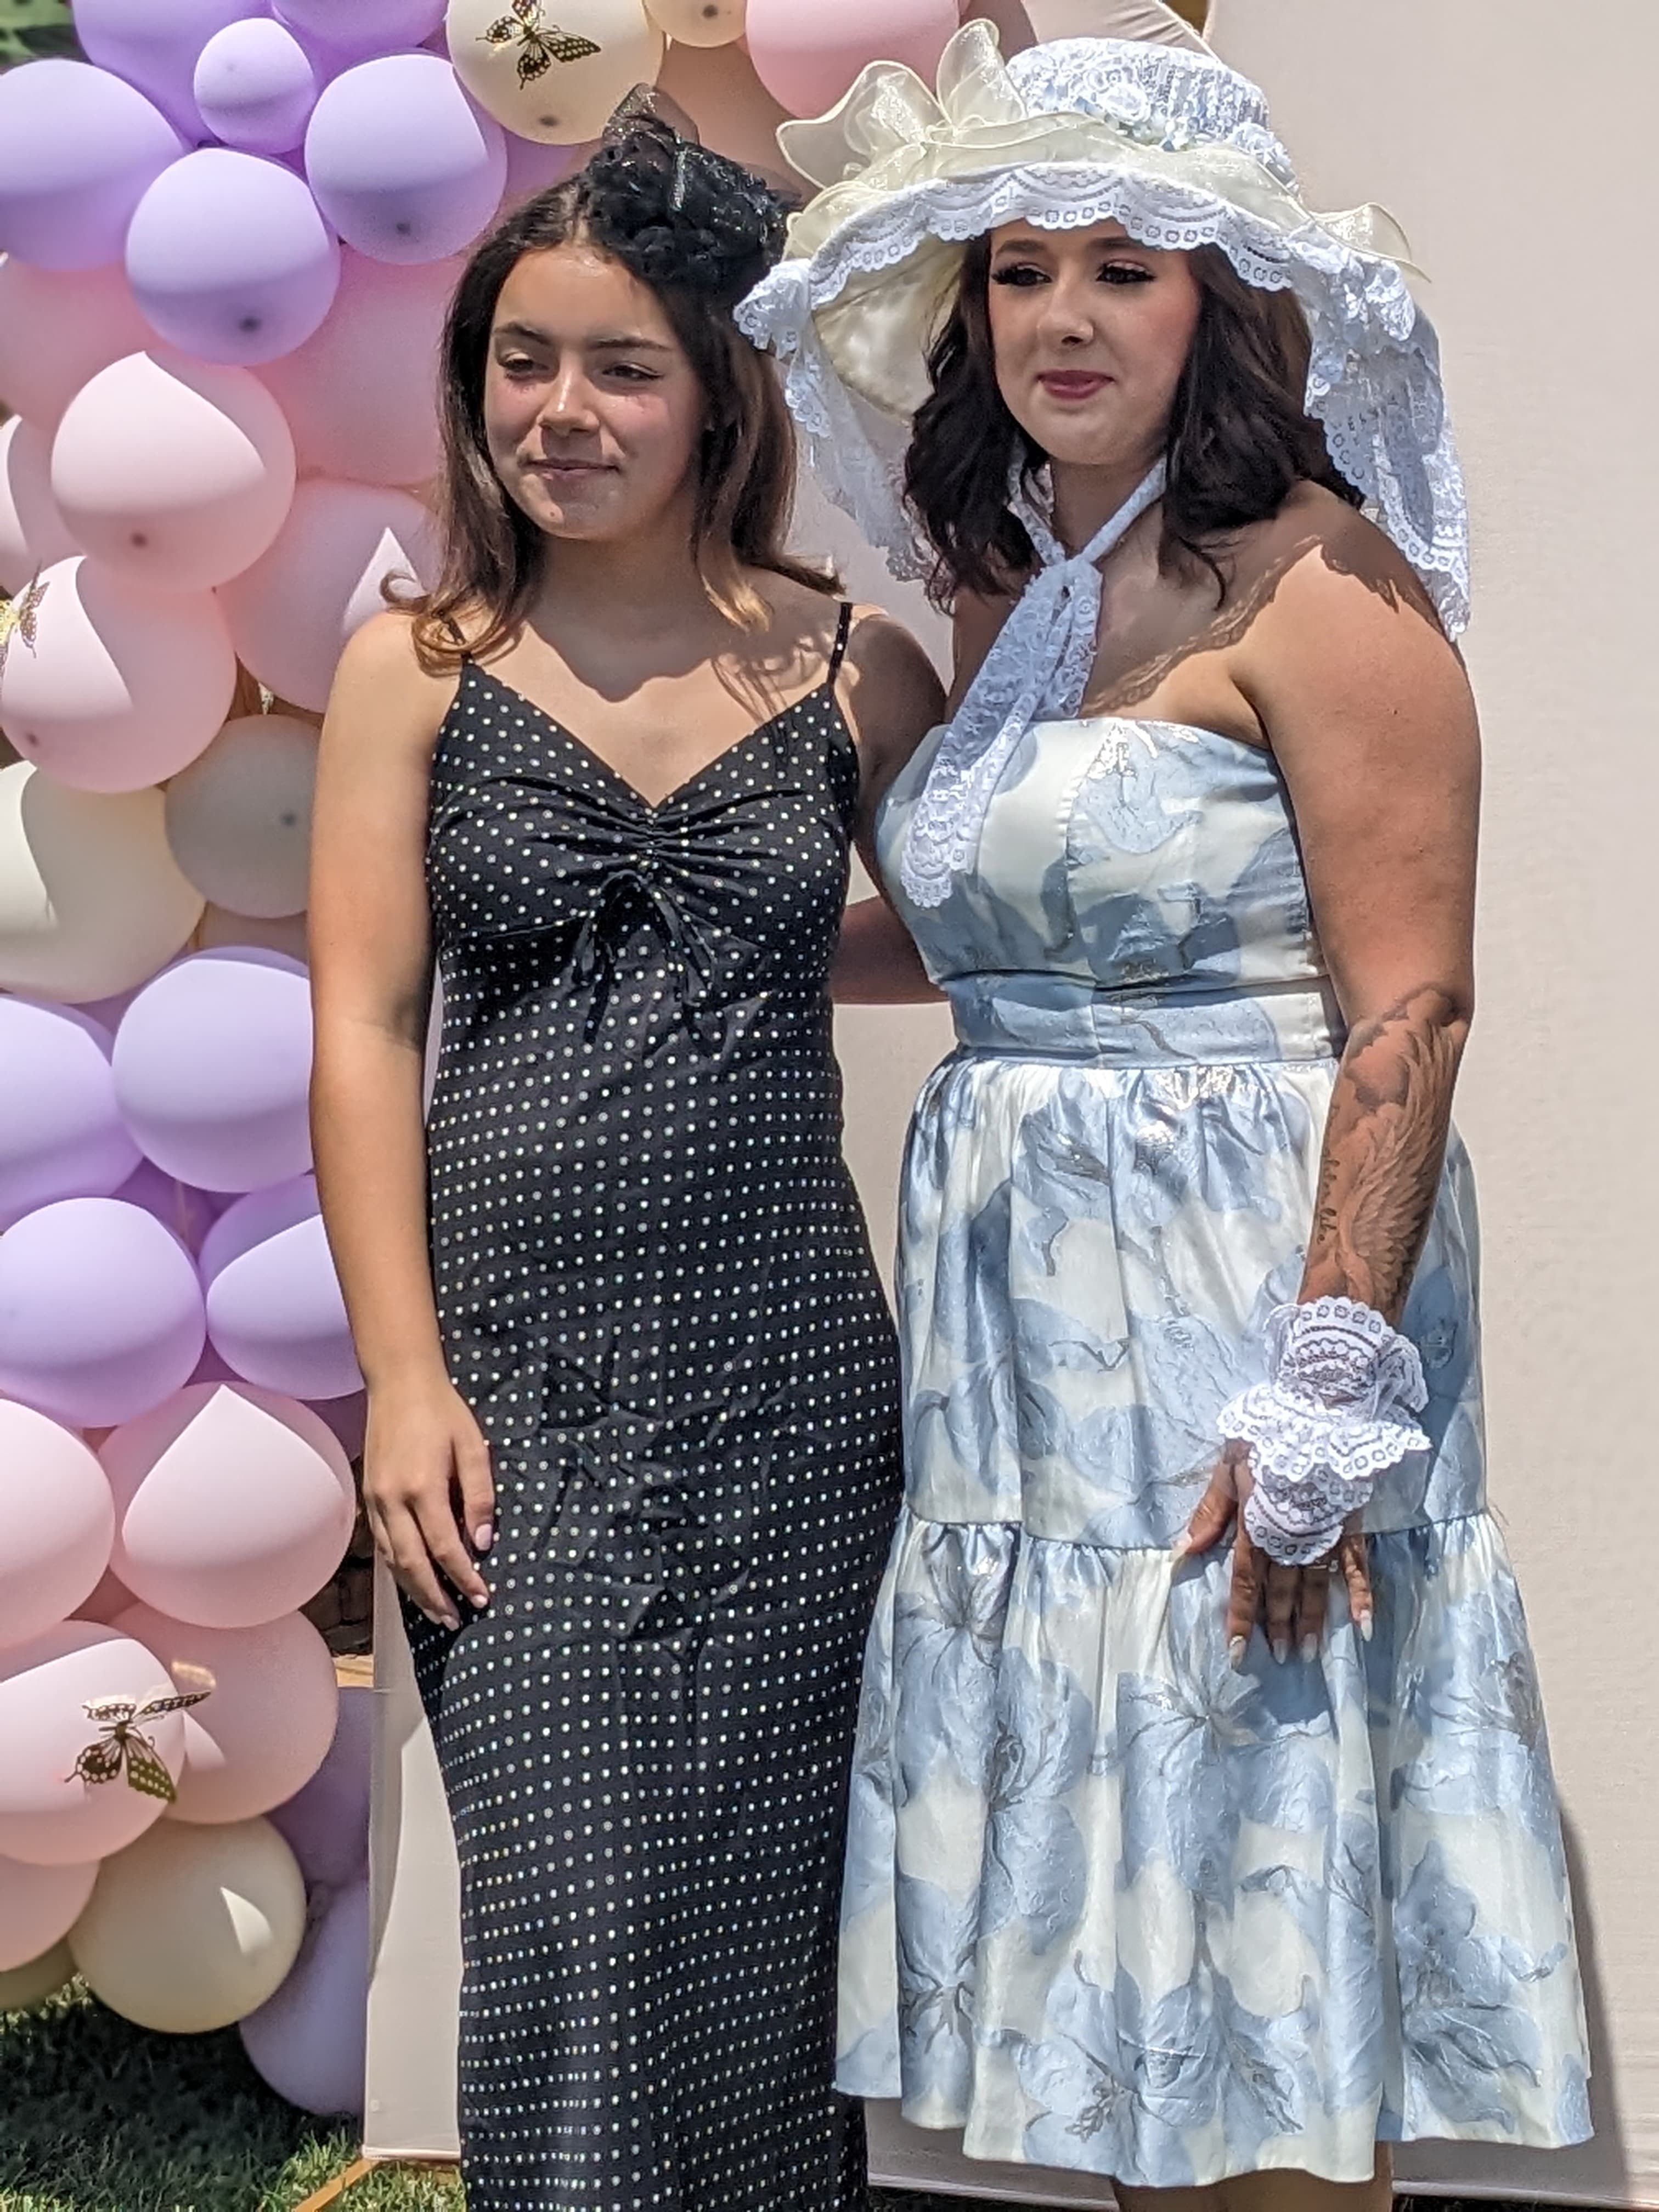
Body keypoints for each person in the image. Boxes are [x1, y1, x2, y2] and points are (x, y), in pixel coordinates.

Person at [742, 16, 1591, 2208]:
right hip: (1023, 1334)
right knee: (1121, 1955)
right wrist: (715, 964)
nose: (1062, 317)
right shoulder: (998, 582)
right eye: (1020, 270)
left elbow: (1412, 1002)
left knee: (1246, 1884)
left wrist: (1329, 1375)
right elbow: (988, 955)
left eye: (1125, 267)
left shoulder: (1324, 585)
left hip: (1242, 1299)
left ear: (1219, 301)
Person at [307, 117, 943, 2212]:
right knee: (574, 1943)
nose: (559, 413)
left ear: (719, 396)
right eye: (520, 360)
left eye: (622, 367)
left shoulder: (856, 671)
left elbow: (980, 926)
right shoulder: (416, 676)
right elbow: (363, 1029)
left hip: (789, 1395)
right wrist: (402, 1378)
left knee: (763, 1960)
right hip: (510, 1403)